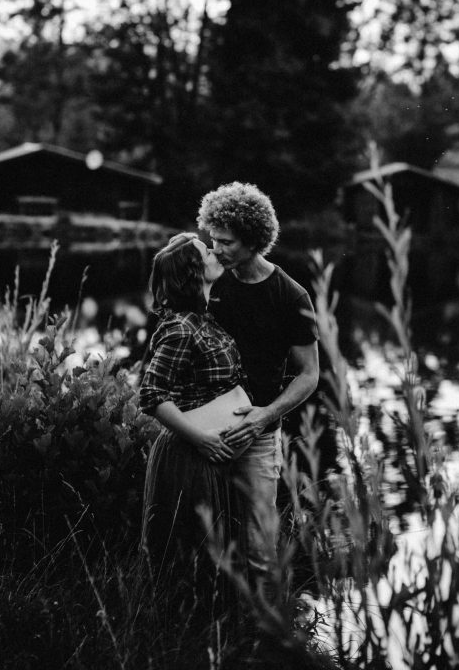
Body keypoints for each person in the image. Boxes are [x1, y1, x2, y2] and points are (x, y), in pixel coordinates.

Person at [196, 182, 320, 584]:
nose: (216, 250)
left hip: (259, 432)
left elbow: (308, 374)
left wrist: (266, 415)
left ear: (254, 240)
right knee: (202, 536)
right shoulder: (210, 281)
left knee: (260, 548)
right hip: (200, 426)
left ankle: (264, 634)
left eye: (226, 242)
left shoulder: (292, 296)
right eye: (212, 240)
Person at [138, 231, 250, 616]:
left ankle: (210, 634)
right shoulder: (181, 327)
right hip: (189, 457)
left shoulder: (203, 318)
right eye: (207, 250)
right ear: (193, 270)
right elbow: (151, 395)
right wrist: (200, 438)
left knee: (212, 553)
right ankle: (182, 638)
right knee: (192, 554)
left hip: (209, 456)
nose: (215, 250)